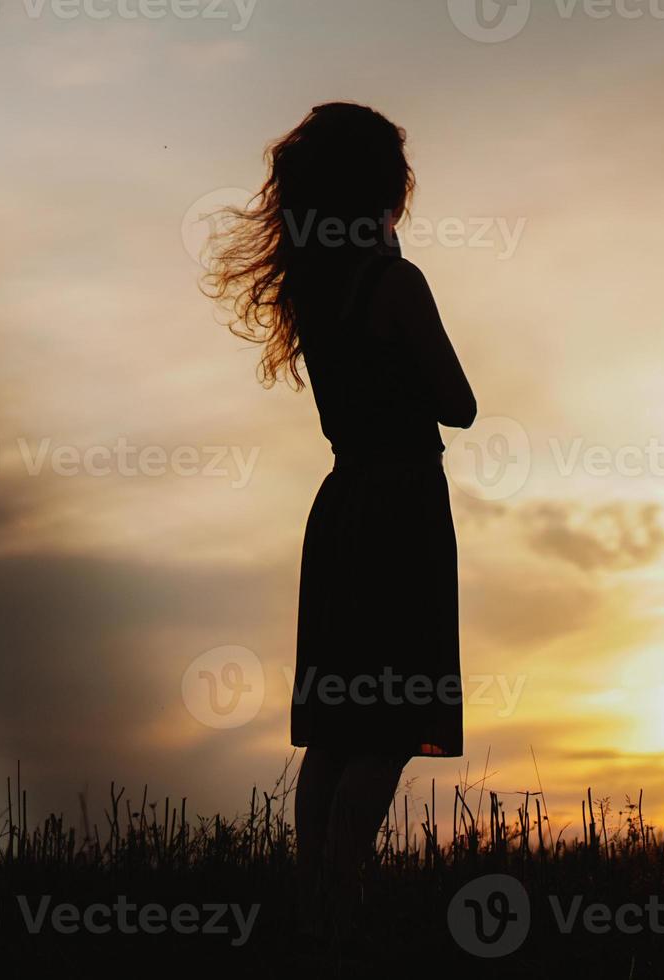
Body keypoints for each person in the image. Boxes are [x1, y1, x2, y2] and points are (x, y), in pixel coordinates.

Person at [206, 102, 477, 932]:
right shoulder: (394, 281)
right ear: (380, 186)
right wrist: (397, 263)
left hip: (343, 503)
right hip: (401, 507)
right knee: (390, 722)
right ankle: (342, 898)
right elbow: (457, 404)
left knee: (339, 725)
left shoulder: (316, 292)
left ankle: (312, 900)